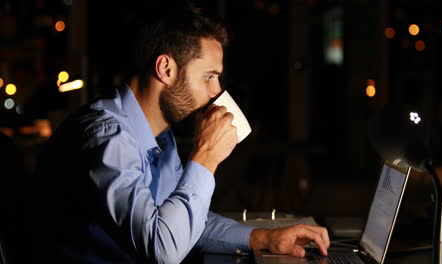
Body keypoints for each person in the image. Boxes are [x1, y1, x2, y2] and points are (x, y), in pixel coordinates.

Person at [32, 1, 330, 263]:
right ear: (166, 69)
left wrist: (264, 239)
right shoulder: (108, 138)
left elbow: (182, 223)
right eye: (209, 77)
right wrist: (206, 157)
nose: (217, 91)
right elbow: (163, 249)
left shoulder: (161, 136)